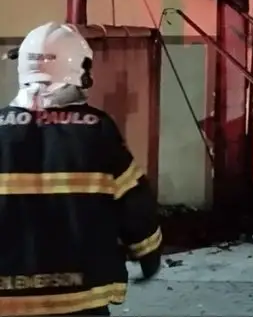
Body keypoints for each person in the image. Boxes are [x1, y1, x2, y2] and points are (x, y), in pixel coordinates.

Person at [0, 22, 162, 316]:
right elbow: (134, 201)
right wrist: (148, 253)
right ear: (80, 72)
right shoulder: (97, 130)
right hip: (81, 296)